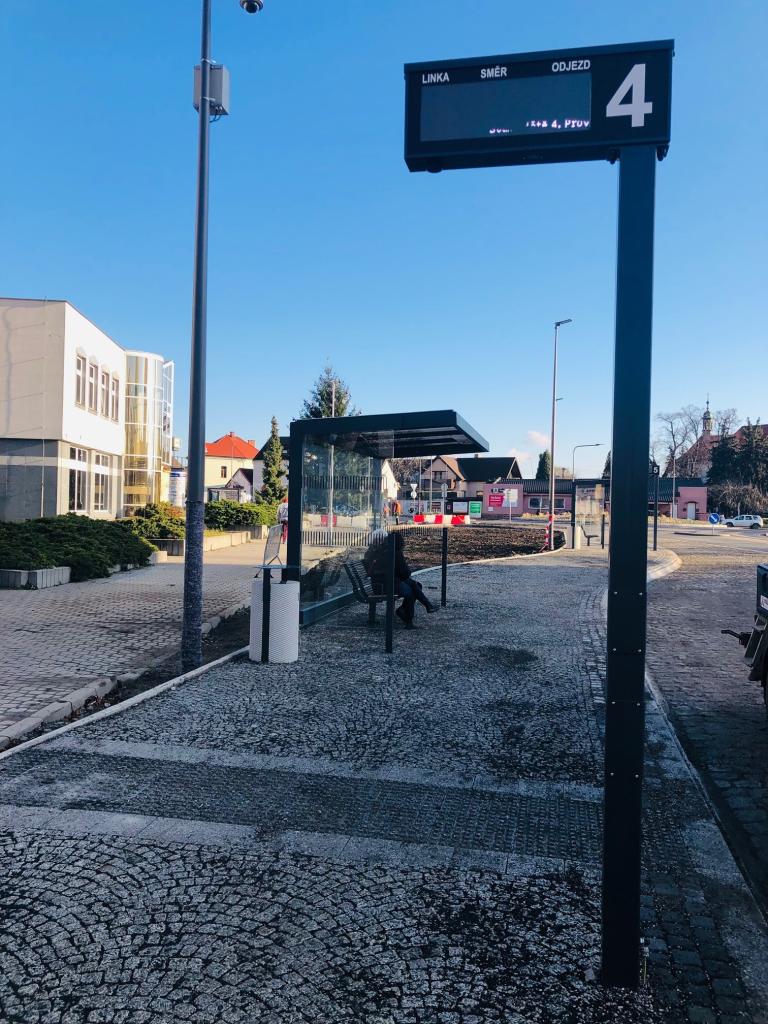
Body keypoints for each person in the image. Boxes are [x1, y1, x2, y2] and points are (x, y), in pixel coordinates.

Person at [363, 531, 436, 628]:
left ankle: (424, 606)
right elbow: (405, 574)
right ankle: (409, 620)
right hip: (387, 585)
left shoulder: (381, 551)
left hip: (379, 584)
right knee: (412, 590)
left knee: (416, 585)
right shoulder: (395, 553)